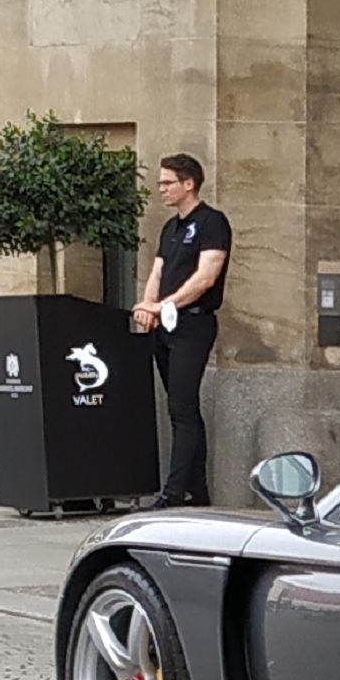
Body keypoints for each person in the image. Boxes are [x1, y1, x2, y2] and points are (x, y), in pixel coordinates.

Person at [132, 154, 231, 507]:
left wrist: (165, 306)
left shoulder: (212, 223)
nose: (161, 189)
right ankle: (195, 489)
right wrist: (147, 307)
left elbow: (205, 278)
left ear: (188, 183)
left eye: (167, 183)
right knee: (182, 409)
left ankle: (174, 492)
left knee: (182, 406)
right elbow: (157, 272)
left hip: (193, 323)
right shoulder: (170, 228)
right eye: (160, 183)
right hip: (165, 326)